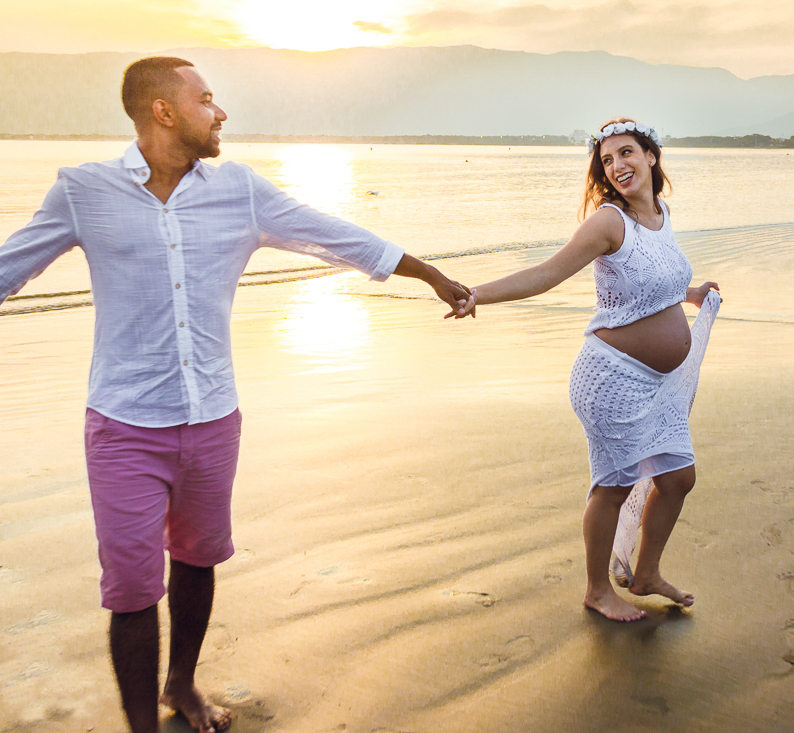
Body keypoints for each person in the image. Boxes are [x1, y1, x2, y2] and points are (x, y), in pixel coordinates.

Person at [0, 57, 472, 732]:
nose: (220, 112)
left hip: (213, 419)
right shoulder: (84, 190)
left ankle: (181, 686)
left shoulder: (240, 192)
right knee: (132, 590)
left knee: (197, 558)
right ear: (163, 111)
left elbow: (332, 234)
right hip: (124, 427)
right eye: (207, 99)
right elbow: (10, 266)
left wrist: (428, 273)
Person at [455, 119, 720, 622]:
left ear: (651, 156)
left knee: (679, 478)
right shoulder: (608, 222)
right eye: (607, 160)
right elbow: (547, 273)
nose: (617, 166)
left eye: (626, 153)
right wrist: (479, 294)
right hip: (612, 380)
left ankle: (646, 573)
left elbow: (653, 281)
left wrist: (688, 294)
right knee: (614, 486)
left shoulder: (662, 214)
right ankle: (599, 589)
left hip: (658, 385)